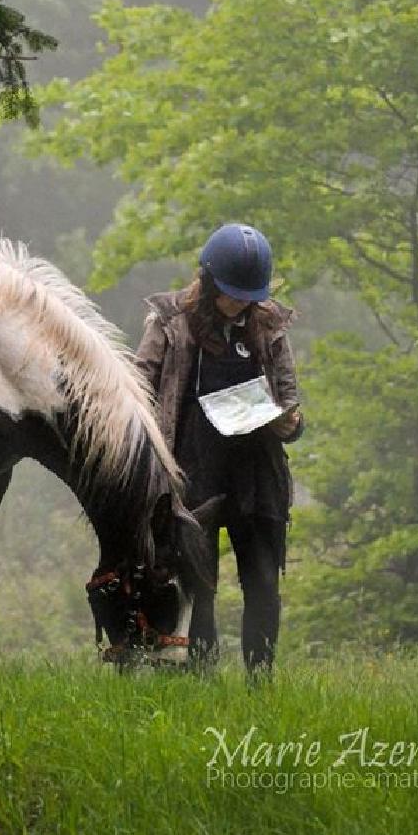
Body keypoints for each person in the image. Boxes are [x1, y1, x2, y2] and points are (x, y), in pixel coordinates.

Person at [136, 222, 303, 673]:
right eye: (233, 293)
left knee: (263, 582)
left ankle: (260, 681)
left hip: (256, 470)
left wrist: (291, 422)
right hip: (193, 468)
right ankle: (202, 676)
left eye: (249, 295)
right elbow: (138, 388)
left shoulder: (270, 324)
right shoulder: (170, 321)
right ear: (208, 282)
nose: (241, 303)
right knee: (200, 586)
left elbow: (289, 400)